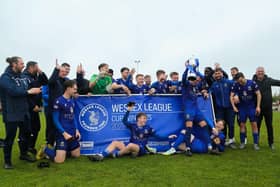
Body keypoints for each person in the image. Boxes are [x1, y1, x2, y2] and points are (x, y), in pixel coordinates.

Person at [0, 56, 42, 169]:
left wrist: (35, 90)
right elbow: (13, 91)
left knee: (26, 134)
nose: (23, 65)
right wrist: (29, 91)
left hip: (24, 112)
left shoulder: (22, 77)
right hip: (11, 112)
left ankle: (23, 154)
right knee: (10, 137)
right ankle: (7, 161)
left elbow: (28, 89)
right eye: (21, 63)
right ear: (14, 64)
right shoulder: (5, 77)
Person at [36, 80, 81, 163]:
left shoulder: (72, 100)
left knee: (76, 155)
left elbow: (73, 117)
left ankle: (62, 151)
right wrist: (64, 133)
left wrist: (77, 130)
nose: (76, 91)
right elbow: (55, 120)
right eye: (74, 89)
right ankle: (45, 150)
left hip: (72, 132)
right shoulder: (58, 101)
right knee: (59, 161)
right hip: (62, 134)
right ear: (68, 88)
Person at [181, 63, 218, 156]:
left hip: (196, 110)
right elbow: (183, 77)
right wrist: (187, 68)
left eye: (195, 79)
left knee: (204, 125)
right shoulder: (186, 86)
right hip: (189, 110)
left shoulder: (196, 87)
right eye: (192, 79)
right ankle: (188, 148)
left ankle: (210, 146)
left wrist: (196, 71)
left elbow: (204, 78)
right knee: (189, 128)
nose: (193, 81)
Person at [231, 72, 261, 150]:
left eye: (241, 81)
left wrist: (258, 106)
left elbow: (258, 94)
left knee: (254, 124)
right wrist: (234, 106)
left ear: (243, 77)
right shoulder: (236, 84)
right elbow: (231, 96)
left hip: (251, 107)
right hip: (242, 108)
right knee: (242, 125)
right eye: (238, 81)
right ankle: (242, 143)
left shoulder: (252, 83)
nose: (240, 82)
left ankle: (255, 143)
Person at [23, 61, 48, 154]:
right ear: (31, 67)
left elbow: (46, 82)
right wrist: (33, 106)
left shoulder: (35, 77)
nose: (38, 69)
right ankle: (25, 149)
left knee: (36, 127)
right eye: (37, 67)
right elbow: (25, 94)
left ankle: (31, 146)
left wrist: (41, 73)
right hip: (28, 108)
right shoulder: (24, 77)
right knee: (27, 129)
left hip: (36, 108)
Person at [253, 67, 280, 150]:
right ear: (256, 72)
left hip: (268, 108)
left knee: (269, 126)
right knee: (257, 126)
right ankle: (256, 143)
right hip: (258, 108)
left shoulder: (269, 80)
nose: (260, 73)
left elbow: (278, 82)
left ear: (264, 72)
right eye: (259, 71)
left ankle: (271, 143)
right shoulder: (253, 82)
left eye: (262, 71)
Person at [209, 68, 236, 149]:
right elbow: (209, 92)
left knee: (231, 124)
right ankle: (222, 141)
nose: (217, 75)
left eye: (219, 73)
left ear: (222, 73)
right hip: (220, 109)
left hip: (229, 108)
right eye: (216, 74)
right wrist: (205, 92)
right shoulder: (214, 84)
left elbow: (237, 88)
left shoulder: (229, 82)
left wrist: (237, 95)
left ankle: (231, 141)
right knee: (220, 126)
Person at [47, 60, 70, 146]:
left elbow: (72, 89)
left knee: (61, 126)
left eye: (67, 70)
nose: (65, 72)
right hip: (53, 108)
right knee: (52, 128)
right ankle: (49, 146)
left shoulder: (66, 80)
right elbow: (50, 82)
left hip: (63, 109)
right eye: (64, 70)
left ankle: (60, 144)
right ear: (60, 69)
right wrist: (56, 70)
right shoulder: (54, 79)